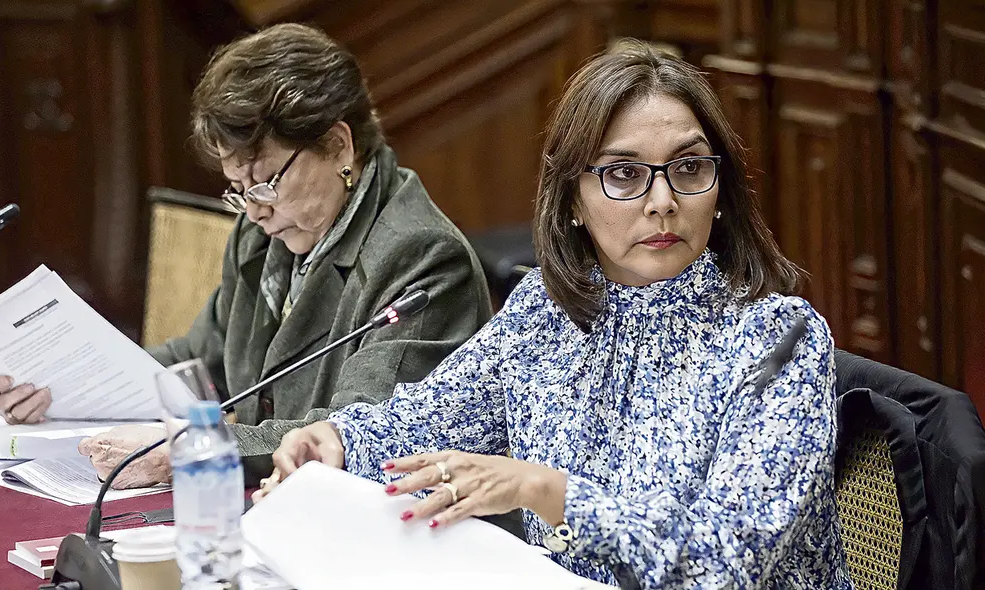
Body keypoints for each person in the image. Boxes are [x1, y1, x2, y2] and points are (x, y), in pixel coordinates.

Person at [255, 40, 854, 588]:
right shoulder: (544, 308)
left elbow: (730, 560)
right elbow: (429, 422)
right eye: (624, 174)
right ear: (571, 198)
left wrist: (546, 490)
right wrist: (335, 440)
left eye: (689, 167)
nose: (664, 202)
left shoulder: (780, 338)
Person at [0, 23, 491, 488]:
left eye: (266, 184)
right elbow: (196, 364)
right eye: (238, 189)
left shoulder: (421, 257)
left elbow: (354, 435)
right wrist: (58, 385)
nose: (254, 211)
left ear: (339, 146)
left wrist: (190, 451)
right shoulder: (263, 236)